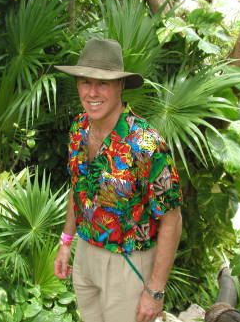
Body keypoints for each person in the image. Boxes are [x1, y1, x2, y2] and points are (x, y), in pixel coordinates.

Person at [53, 38, 183, 322]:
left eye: (103, 83)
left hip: (127, 263)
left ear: (121, 86)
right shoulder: (79, 128)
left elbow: (172, 220)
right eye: (86, 82)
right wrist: (66, 241)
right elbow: (78, 189)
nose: (92, 92)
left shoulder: (146, 144)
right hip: (86, 253)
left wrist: (155, 291)